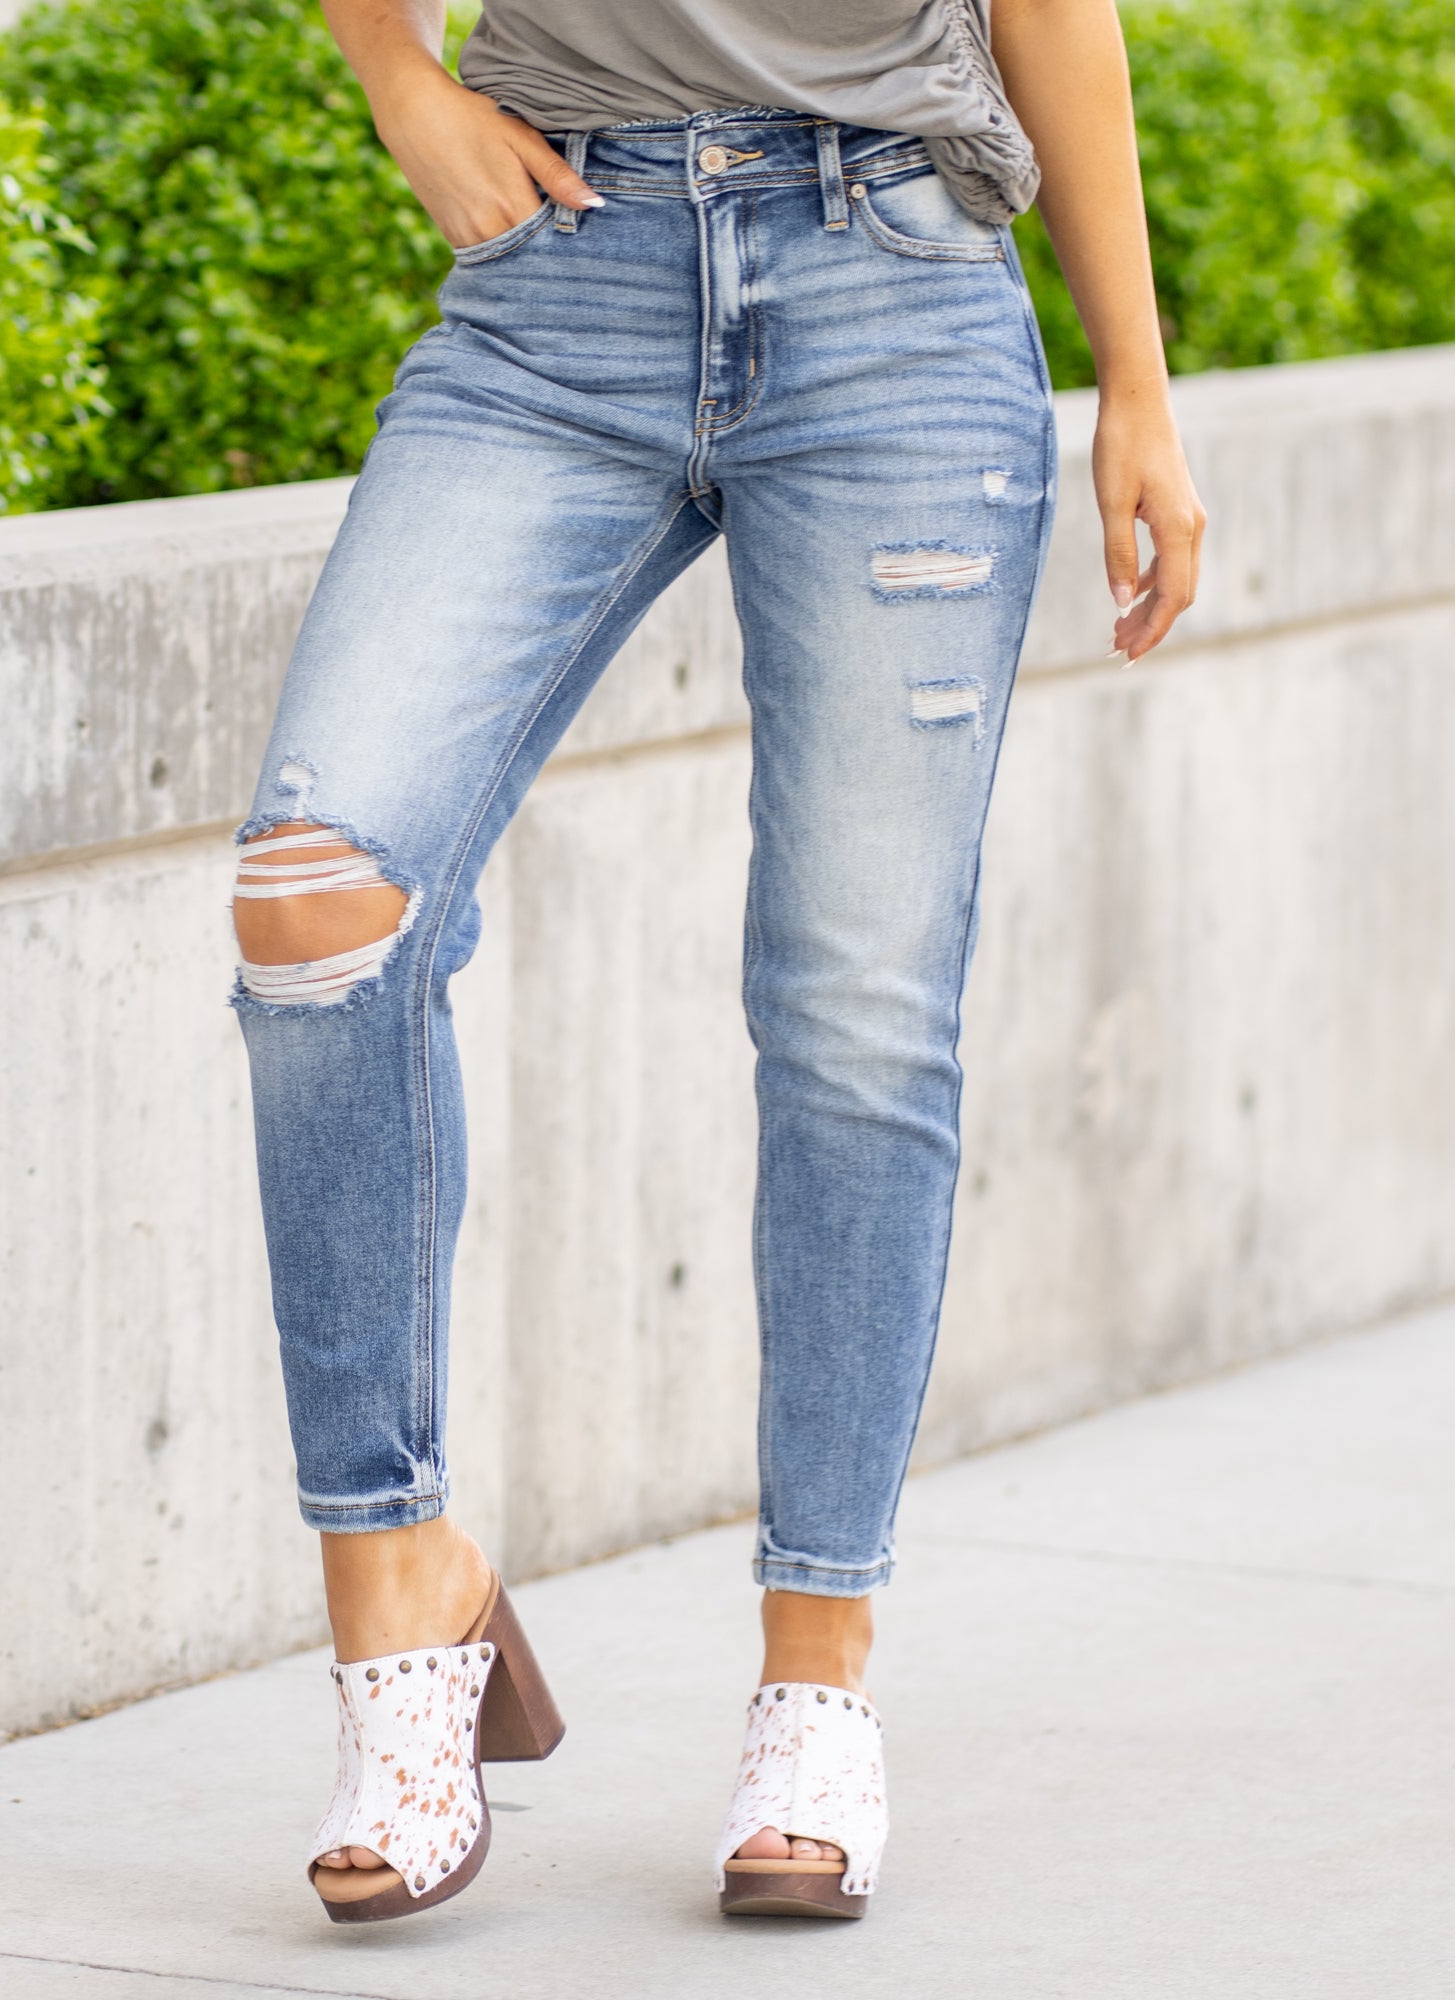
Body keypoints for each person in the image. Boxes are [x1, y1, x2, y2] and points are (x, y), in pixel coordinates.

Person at [230, 0, 1204, 1924]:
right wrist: (398, 80)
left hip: (892, 288)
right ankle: (402, 1595)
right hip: (557, 287)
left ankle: (817, 1679)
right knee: (316, 901)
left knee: (858, 1010)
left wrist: (1139, 386)